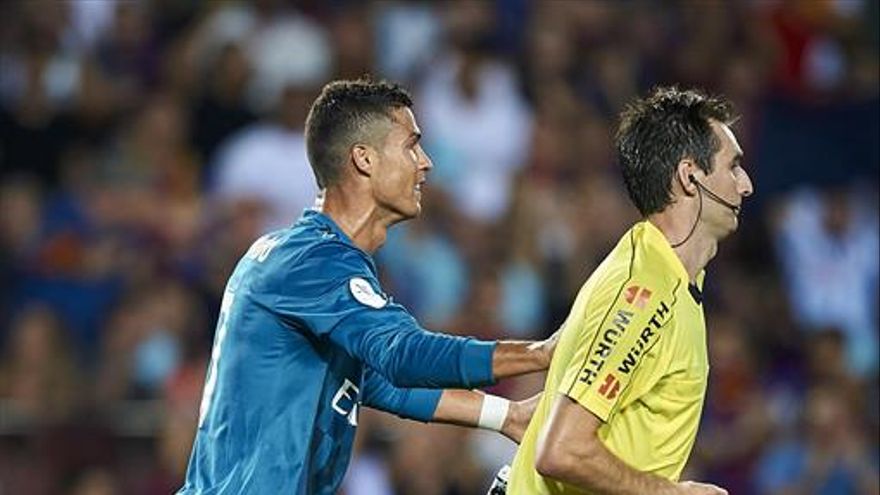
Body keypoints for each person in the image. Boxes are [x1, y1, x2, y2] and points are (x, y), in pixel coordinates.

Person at [177, 78, 557, 494]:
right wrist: (539, 354)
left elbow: (382, 382)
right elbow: (405, 355)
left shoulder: (304, 258)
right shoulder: (313, 264)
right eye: (411, 146)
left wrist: (507, 416)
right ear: (364, 159)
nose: (426, 162)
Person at [505, 87, 754, 495]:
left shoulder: (673, 275)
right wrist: (670, 493)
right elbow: (562, 450)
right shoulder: (643, 292)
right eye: (734, 166)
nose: (746, 185)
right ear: (690, 176)